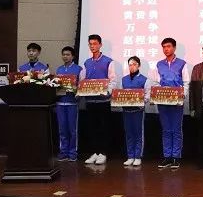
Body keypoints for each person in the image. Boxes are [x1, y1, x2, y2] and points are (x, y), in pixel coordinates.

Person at [152, 38, 189, 169]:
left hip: (177, 102)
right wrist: (156, 94)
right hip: (163, 102)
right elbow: (156, 82)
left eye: (168, 46)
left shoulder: (182, 64)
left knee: (176, 129)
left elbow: (186, 82)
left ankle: (176, 157)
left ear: (174, 48)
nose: (166, 49)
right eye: (164, 47)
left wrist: (182, 95)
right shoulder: (159, 64)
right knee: (166, 129)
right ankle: (167, 156)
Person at [80, 34, 117, 165]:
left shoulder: (108, 61)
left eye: (95, 44)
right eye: (90, 44)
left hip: (103, 101)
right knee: (92, 128)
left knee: (104, 128)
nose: (92, 46)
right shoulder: (86, 62)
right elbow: (82, 80)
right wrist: (81, 90)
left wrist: (107, 91)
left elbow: (113, 80)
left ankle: (103, 153)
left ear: (100, 45)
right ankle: (95, 153)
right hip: (90, 101)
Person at [121, 56, 152, 167]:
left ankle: (138, 156)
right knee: (129, 133)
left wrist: (140, 101)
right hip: (126, 111)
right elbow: (120, 94)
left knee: (138, 133)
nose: (132, 67)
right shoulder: (124, 79)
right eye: (130, 65)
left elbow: (147, 96)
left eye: (134, 64)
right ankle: (130, 156)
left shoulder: (145, 80)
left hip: (138, 111)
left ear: (139, 65)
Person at [55, 46, 82, 162]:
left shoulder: (79, 69)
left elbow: (82, 86)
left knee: (72, 130)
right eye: (63, 54)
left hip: (72, 103)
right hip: (60, 103)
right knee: (62, 129)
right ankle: (63, 152)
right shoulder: (59, 69)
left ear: (73, 56)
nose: (65, 57)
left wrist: (77, 91)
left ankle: (72, 153)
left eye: (68, 55)